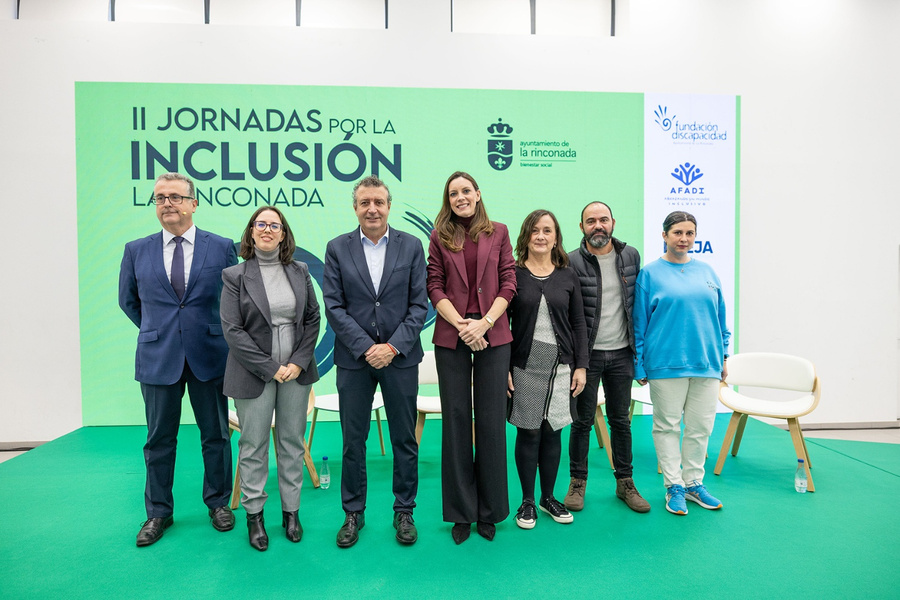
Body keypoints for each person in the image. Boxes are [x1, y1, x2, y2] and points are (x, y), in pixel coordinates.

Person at [118, 172, 237, 547]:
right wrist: (159, 329)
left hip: (209, 356)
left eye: (175, 197)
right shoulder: (136, 249)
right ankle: (158, 512)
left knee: (216, 435)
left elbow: (233, 300)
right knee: (158, 440)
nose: (167, 203)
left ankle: (218, 503)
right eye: (159, 198)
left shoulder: (221, 247)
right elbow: (129, 301)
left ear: (193, 202)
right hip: (158, 356)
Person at [323, 175, 427, 548]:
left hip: (400, 359)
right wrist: (367, 347)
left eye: (378, 202)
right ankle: (353, 512)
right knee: (354, 440)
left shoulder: (412, 246)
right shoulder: (337, 248)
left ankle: (404, 511)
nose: (372, 208)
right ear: (355, 207)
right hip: (354, 360)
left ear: (388, 205)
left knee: (404, 439)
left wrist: (392, 347)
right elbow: (333, 306)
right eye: (364, 202)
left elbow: (420, 305)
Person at [220, 207, 320, 551]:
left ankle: (291, 513)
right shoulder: (234, 275)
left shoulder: (300, 270)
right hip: (254, 373)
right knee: (253, 446)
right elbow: (233, 330)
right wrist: (270, 367)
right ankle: (255, 516)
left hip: (296, 371)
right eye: (260, 224)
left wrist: (297, 361)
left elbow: (313, 318)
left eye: (274, 225)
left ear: (283, 234)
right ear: (251, 232)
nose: (267, 229)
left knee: (292, 443)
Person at [426, 171, 516, 544]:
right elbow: (434, 283)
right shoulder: (439, 235)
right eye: (453, 193)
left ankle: (490, 510)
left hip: (493, 334)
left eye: (466, 191)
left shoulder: (500, 230)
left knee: (492, 421)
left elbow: (509, 281)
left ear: (478, 194)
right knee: (457, 421)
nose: (460, 197)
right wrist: (463, 325)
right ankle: (462, 511)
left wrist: (486, 323)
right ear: (448, 200)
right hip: (452, 333)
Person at [633, 211, 731, 515]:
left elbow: (720, 318)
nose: (684, 239)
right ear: (664, 236)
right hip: (665, 364)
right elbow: (639, 323)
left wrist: (724, 355)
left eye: (689, 233)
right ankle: (673, 485)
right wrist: (640, 364)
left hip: (707, 363)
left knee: (700, 427)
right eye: (677, 232)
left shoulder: (708, 272)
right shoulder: (649, 274)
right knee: (666, 427)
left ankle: (693, 484)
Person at [564, 202, 650, 513]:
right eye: (590, 221)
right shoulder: (571, 261)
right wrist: (576, 360)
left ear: (613, 222)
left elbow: (636, 306)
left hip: (622, 354)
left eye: (603, 220)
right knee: (582, 422)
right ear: (581, 227)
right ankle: (577, 482)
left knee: (620, 422)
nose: (597, 226)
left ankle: (625, 482)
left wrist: (640, 354)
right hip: (587, 358)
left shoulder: (631, 256)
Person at [507, 210, 588, 530]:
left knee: (553, 430)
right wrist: (504, 369)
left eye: (548, 231)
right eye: (535, 230)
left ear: (556, 238)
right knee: (528, 431)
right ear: (525, 236)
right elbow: (502, 326)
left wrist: (581, 366)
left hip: (562, 366)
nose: (541, 236)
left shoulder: (568, 275)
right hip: (525, 364)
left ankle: (548, 496)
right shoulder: (512, 275)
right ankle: (527, 500)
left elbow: (579, 323)